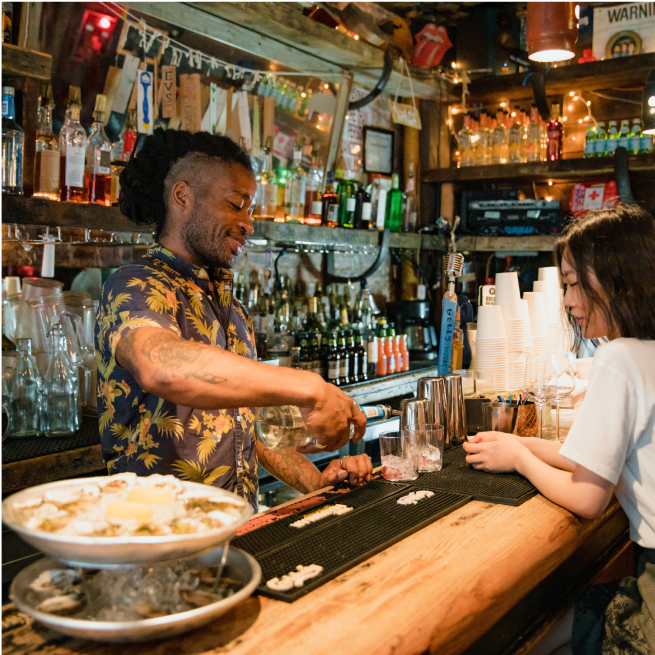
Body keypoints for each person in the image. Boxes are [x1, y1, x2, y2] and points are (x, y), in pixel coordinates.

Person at [95, 129, 369, 512]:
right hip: (157, 538)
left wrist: (315, 481)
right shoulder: (134, 286)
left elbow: (249, 428)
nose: (248, 223)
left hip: (237, 531)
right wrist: (310, 387)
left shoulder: (231, 310)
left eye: (250, 210)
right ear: (183, 197)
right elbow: (159, 366)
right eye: (235, 204)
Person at [463, 204, 655, 655]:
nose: (567, 301)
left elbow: (588, 498)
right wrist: (522, 440)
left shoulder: (619, 358)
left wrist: (520, 460)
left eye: (571, 283)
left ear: (614, 278)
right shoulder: (646, 353)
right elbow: (597, 456)